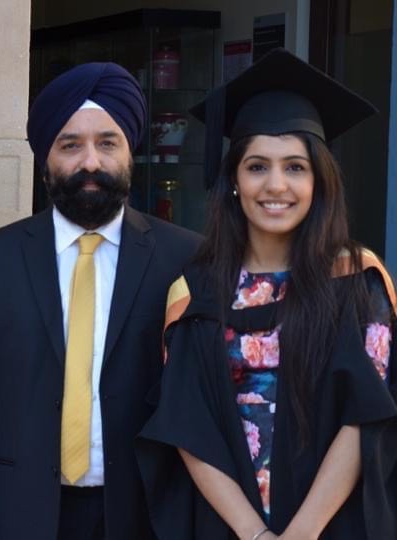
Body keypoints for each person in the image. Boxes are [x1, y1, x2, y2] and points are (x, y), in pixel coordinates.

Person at [136, 48, 397, 539]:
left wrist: (302, 532)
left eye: (295, 167)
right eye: (257, 166)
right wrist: (253, 533)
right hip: (226, 527)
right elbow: (188, 426)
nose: (276, 185)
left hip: (332, 525)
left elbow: (364, 416)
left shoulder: (357, 282)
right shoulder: (195, 293)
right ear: (234, 180)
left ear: (319, 181)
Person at [0, 62, 201, 539]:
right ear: (46, 157)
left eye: (107, 142)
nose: (91, 162)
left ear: (130, 150)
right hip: (23, 518)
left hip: (148, 519)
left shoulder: (185, 258)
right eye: (70, 145)